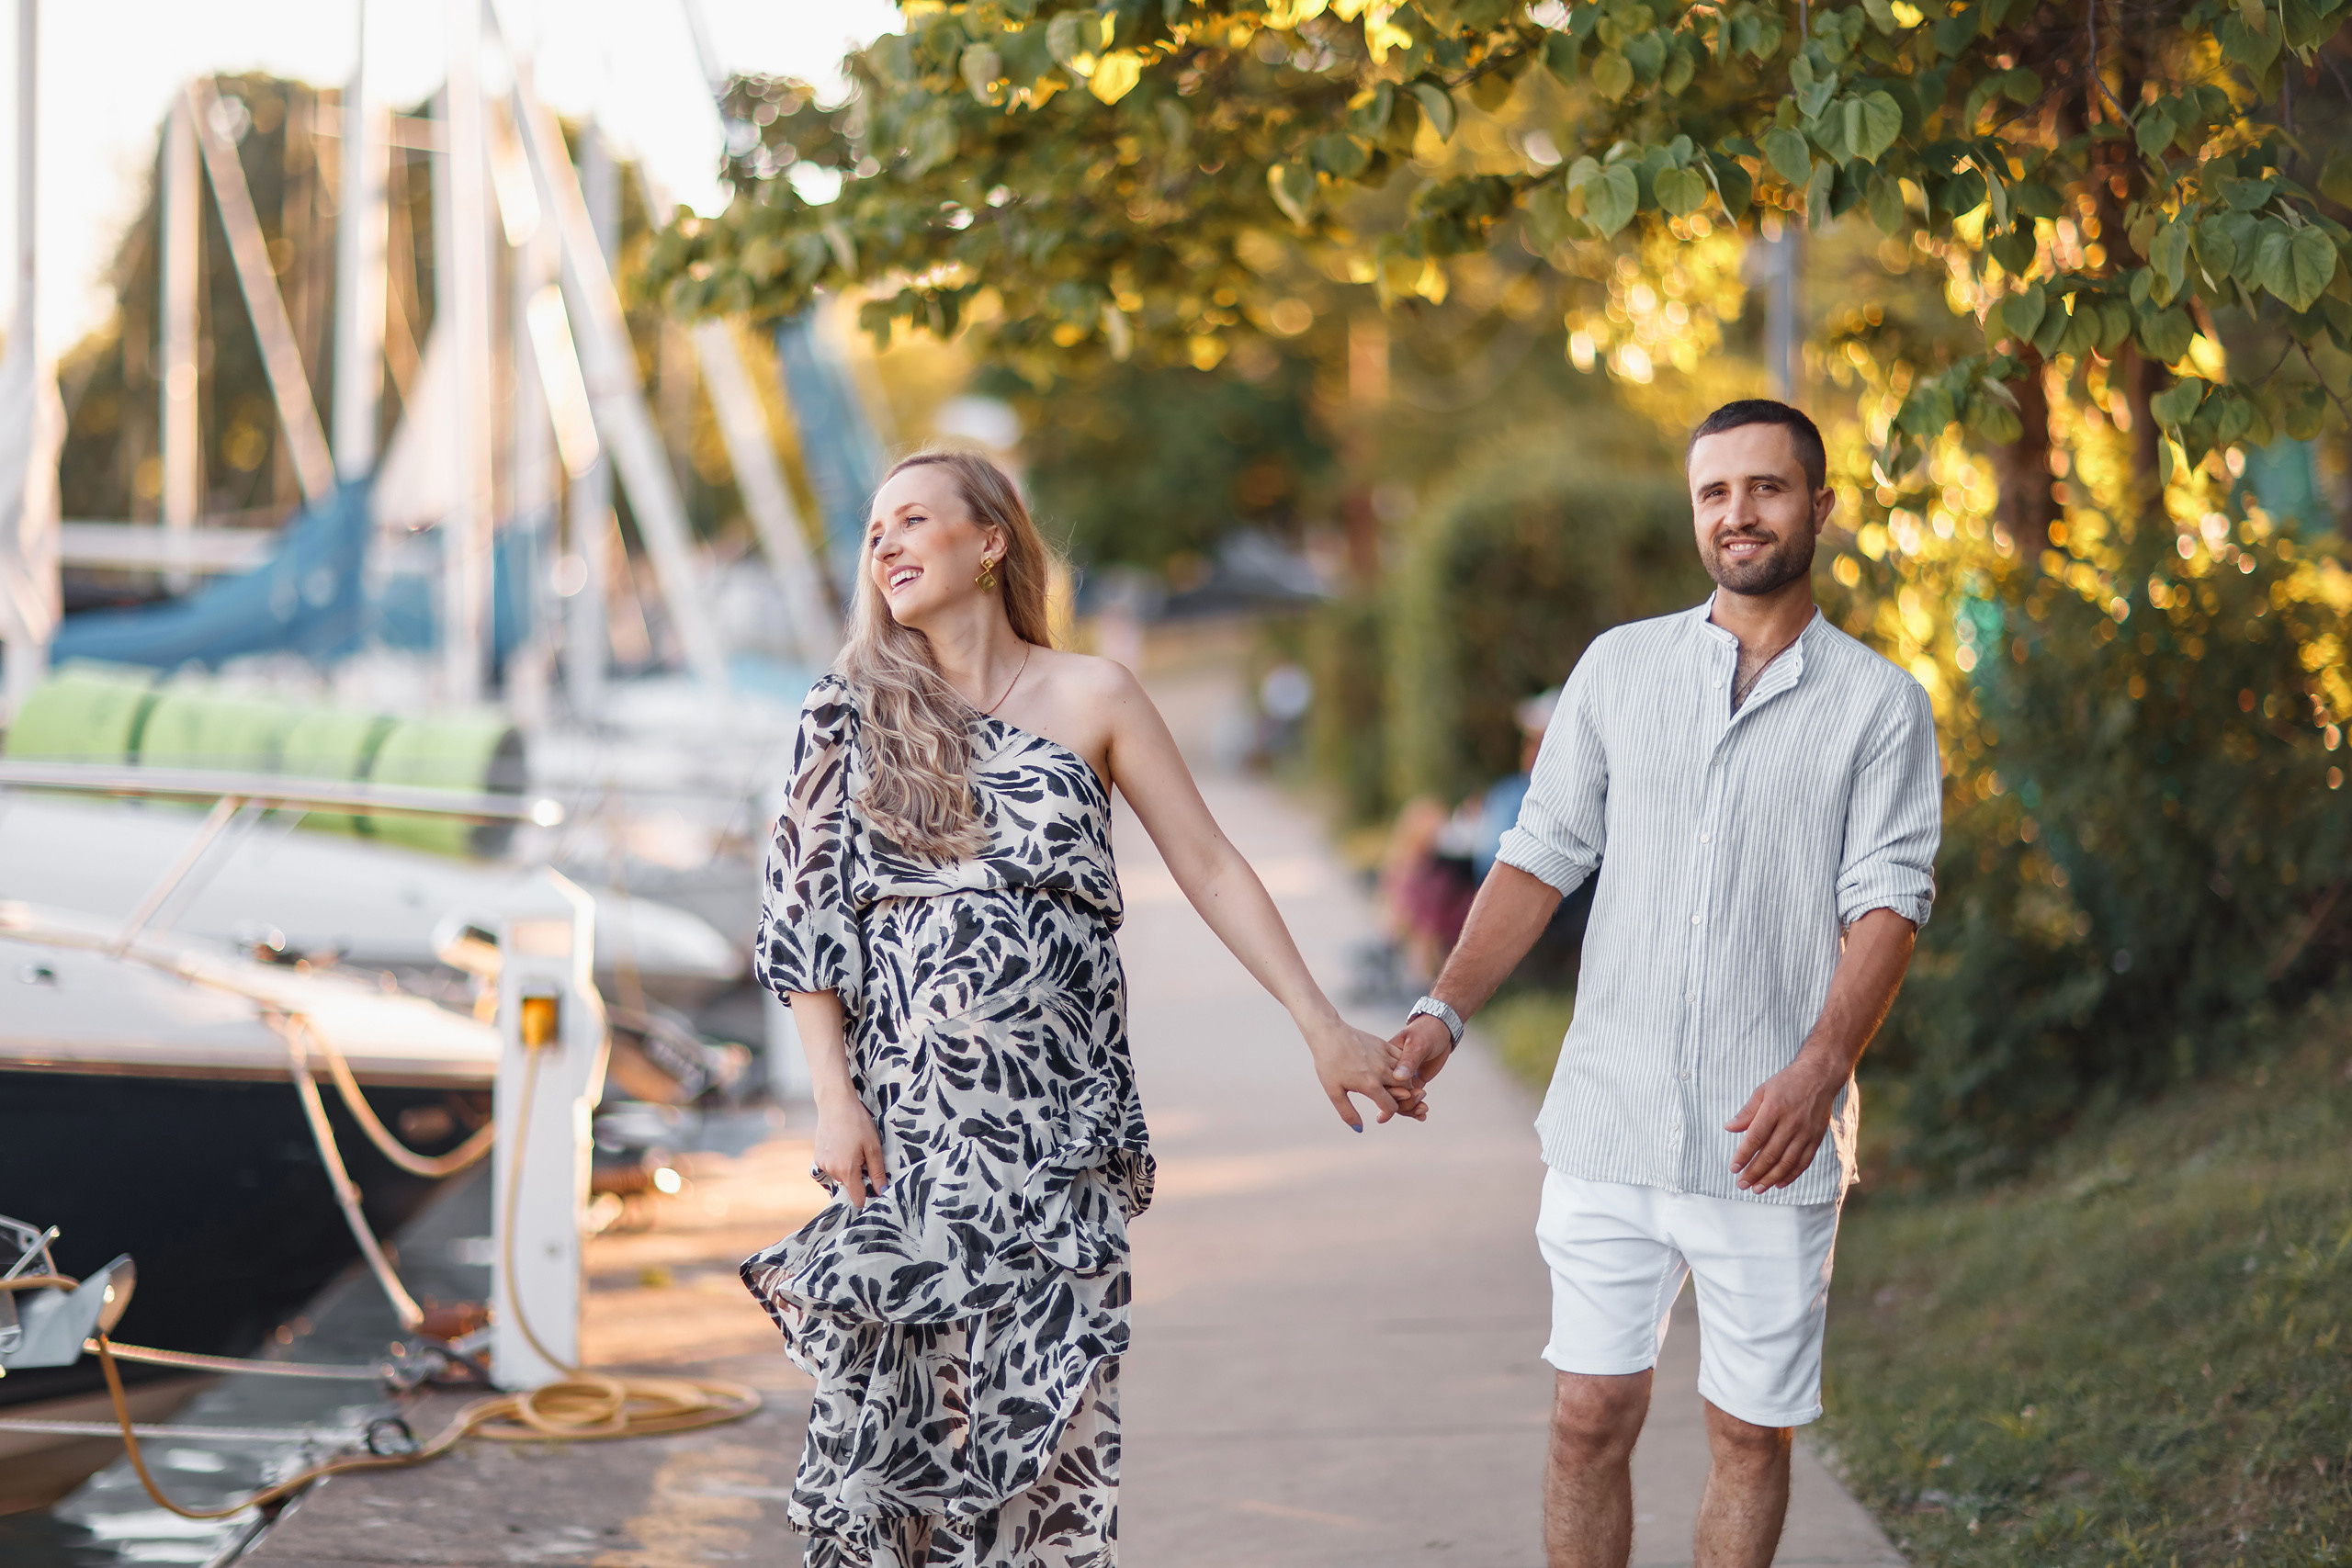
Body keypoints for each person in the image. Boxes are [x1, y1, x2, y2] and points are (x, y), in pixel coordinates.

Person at [743, 448, 1409, 1568]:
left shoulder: (1094, 695)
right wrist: (831, 1099)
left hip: (1056, 1141)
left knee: (1048, 1441)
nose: (887, 546)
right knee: (900, 1443)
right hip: (907, 1139)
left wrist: (1321, 1024)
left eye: (913, 521)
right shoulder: (845, 709)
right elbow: (807, 918)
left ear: (988, 542)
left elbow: (1208, 867)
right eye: (874, 533)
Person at [1387, 400, 1941, 1568]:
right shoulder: (1619, 668)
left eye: (1766, 488)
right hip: (1609, 1117)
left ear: (1819, 508)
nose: (1737, 513)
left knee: (1748, 1434)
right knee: (1587, 1416)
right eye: (1713, 492)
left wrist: (1819, 1068)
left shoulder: (1879, 705)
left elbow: (1886, 904)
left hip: (1768, 1134)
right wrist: (1445, 1011)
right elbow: (1537, 858)